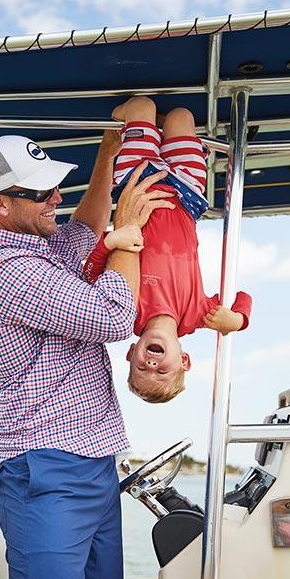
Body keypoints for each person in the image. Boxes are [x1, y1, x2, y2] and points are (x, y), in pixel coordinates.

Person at [0, 132, 174, 579]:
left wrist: (107, 155)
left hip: (95, 459)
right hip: (44, 469)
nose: (56, 199)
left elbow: (85, 226)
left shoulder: (41, 245)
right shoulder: (8, 268)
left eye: (55, 186)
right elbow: (115, 317)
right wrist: (128, 236)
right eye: (41, 193)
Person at [84, 96, 252, 404]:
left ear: (132, 352)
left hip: (139, 180)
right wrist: (237, 322)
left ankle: (127, 119)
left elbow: (90, 273)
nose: (151, 365)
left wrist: (110, 241)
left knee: (141, 106)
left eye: (140, 368)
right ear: (184, 360)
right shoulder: (200, 315)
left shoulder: (124, 313)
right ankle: (163, 131)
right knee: (181, 116)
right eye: (161, 372)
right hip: (187, 195)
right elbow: (243, 299)